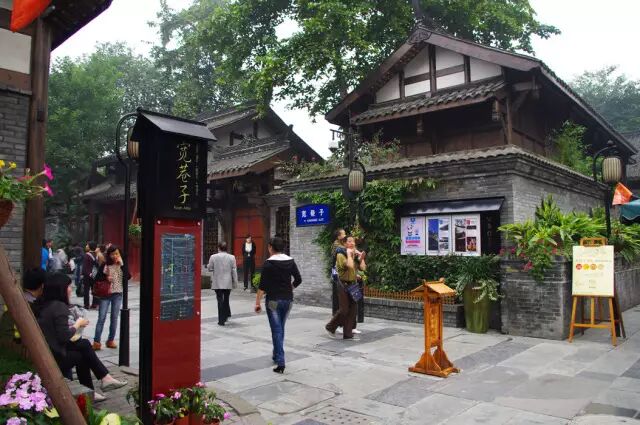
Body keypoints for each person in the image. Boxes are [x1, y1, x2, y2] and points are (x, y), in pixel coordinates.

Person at [36, 273, 127, 401]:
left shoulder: (47, 305)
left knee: (83, 350)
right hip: (55, 357)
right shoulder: (59, 307)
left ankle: (94, 388)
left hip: (50, 353)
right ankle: (104, 379)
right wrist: (77, 324)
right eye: (68, 286)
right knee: (84, 347)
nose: (70, 289)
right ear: (60, 289)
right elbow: (64, 336)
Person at [255, 236, 302, 374]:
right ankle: (276, 354)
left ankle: (281, 362)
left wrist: (257, 303)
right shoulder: (290, 261)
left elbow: (262, 286)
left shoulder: (268, 264)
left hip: (273, 301)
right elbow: (298, 279)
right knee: (280, 328)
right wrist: (290, 288)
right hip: (288, 300)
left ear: (270, 247)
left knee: (276, 330)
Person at [325, 236, 366, 340]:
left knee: (353, 310)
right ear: (344, 243)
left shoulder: (354, 254)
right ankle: (330, 327)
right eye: (349, 241)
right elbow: (350, 265)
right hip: (343, 284)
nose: (352, 243)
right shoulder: (340, 255)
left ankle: (348, 334)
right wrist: (348, 254)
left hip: (353, 284)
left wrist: (361, 258)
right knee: (344, 310)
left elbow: (363, 268)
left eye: (353, 242)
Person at [93, 246, 125, 350]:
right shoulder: (105, 265)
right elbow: (97, 278)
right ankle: (97, 342)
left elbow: (128, 276)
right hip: (105, 295)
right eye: (112, 254)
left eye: (117, 253)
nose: (115, 256)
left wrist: (122, 265)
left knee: (114, 318)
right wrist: (106, 278)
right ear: (109, 255)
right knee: (101, 318)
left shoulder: (122, 264)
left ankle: (110, 340)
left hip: (118, 294)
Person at [207, 241, 238, 326]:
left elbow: (209, 268)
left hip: (217, 282)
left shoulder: (213, 257)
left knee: (220, 300)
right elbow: (234, 271)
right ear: (226, 248)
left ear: (219, 248)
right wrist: (235, 282)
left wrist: (211, 267)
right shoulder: (232, 257)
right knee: (226, 299)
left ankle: (221, 320)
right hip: (228, 282)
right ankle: (226, 316)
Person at [81, 242, 99, 309]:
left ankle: (86, 305)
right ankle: (94, 304)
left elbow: (85, 266)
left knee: (86, 291)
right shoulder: (97, 255)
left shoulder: (87, 255)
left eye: (87, 245)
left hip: (87, 275)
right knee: (94, 290)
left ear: (90, 247)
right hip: (95, 275)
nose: (86, 246)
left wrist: (84, 274)